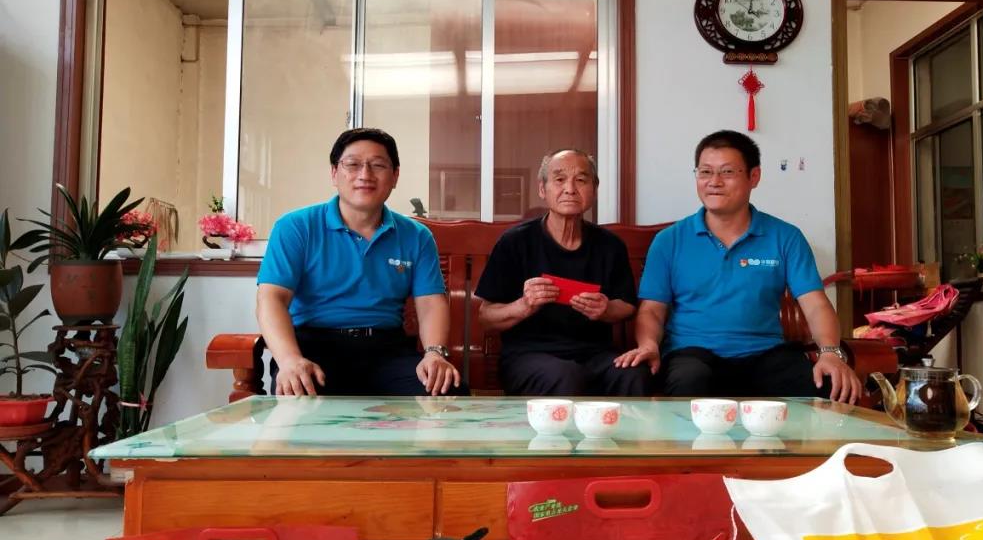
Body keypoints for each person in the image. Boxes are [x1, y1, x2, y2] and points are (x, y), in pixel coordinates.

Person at [614, 130, 862, 404]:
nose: (714, 182)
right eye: (705, 172)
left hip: (766, 355)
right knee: (690, 380)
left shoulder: (785, 237)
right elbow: (651, 310)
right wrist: (649, 344)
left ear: (754, 176)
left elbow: (815, 304)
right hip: (692, 355)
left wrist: (830, 353)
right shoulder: (669, 240)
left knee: (829, 386)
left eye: (727, 172)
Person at [256, 127, 465, 397]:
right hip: (313, 348)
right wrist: (288, 360)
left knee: (447, 394)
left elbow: (430, 303)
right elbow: (271, 298)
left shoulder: (416, 236)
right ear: (334, 173)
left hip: (387, 350)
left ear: (395, 176)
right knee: (298, 395)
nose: (365, 174)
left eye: (378, 165)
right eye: (352, 164)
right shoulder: (296, 227)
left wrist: (434, 353)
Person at [475, 149, 649, 396]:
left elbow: (627, 305)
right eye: (559, 179)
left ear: (594, 189)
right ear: (542, 189)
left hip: (595, 354)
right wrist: (524, 305)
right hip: (529, 356)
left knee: (633, 374)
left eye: (581, 180)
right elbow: (486, 316)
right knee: (566, 375)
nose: (570, 189)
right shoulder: (515, 242)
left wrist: (606, 309)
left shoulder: (610, 245)